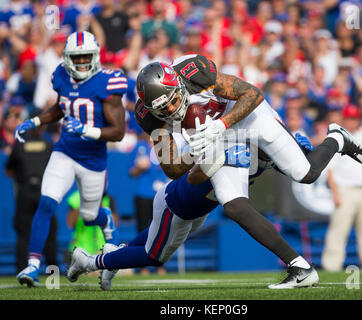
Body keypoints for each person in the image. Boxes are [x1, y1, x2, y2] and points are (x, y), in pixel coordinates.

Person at [132, 55, 362, 287]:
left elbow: (252, 94)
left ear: (177, 84)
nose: (173, 109)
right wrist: (193, 152)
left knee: (306, 174)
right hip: (221, 137)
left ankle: (336, 139)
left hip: (245, 115)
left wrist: (221, 124)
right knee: (234, 205)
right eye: (163, 108)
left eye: (173, 99)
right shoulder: (148, 116)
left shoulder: (193, 71)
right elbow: (172, 168)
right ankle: (299, 267)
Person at [67, 139, 317, 291]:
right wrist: (221, 158)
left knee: (152, 237)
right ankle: (90, 261)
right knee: (155, 256)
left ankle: (114, 258)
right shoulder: (228, 146)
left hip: (197, 210)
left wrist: (291, 151)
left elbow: (274, 161)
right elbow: (193, 173)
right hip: (176, 204)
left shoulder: (258, 155)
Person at [14, 31, 126, 288]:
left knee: (89, 216)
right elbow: (60, 108)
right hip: (65, 151)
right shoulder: (61, 75)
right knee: (46, 203)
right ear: (67, 58)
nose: (83, 62)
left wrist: (86, 130)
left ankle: (105, 218)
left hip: (93, 160)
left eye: (87, 56)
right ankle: (32, 266)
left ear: (96, 56)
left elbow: (118, 132)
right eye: (77, 57)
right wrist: (35, 121)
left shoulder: (108, 82)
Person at [321, 105, 362, 272]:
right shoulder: (339, 138)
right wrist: (335, 192)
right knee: (338, 231)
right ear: (344, 118)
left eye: (354, 118)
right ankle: (331, 265)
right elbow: (330, 169)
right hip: (345, 190)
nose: (352, 121)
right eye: (349, 117)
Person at [5, 119, 57, 274]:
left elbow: (9, 169)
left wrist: (21, 181)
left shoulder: (20, 144)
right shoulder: (48, 145)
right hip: (44, 191)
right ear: (43, 128)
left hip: (25, 191)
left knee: (24, 233)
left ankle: (21, 270)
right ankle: (52, 271)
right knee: (48, 230)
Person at [129, 131, 168, 275]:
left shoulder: (165, 147)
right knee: (142, 229)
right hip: (143, 194)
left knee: (162, 230)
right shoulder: (139, 146)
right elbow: (131, 172)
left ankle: (160, 265)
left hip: (161, 193)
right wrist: (139, 167)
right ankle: (143, 266)